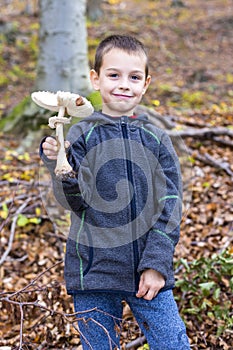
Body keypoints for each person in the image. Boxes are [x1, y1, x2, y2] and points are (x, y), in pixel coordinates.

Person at [40, 34, 190, 350]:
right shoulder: (80, 134)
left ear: (146, 84)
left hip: (146, 272)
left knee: (172, 343)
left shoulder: (156, 137)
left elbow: (171, 203)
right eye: (113, 75)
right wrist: (60, 164)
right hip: (94, 271)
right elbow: (74, 202)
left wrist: (157, 263)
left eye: (134, 77)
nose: (124, 84)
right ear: (95, 78)